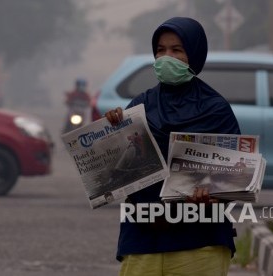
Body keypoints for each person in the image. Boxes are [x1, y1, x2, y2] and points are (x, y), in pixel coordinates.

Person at [104, 17, 240, 276]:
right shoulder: (140, 105)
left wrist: (212, 193)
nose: (166, 57)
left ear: (195, 54)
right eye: (160, 50)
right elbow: (118, 173)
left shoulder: (216, 109)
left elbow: (234, 178)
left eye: (177, 50)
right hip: (143, 236)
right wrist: (112, 134)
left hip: (200, 241)